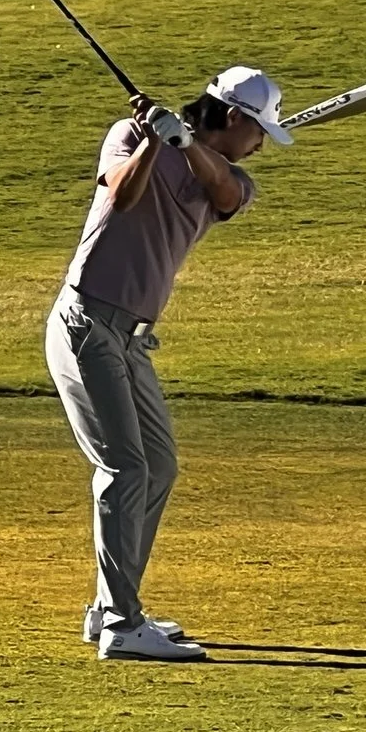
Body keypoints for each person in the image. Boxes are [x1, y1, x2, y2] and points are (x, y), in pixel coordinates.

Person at [47, 66, 289, 662]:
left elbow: (224, 191)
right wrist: (156, 140)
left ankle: (110, 605)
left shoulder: (232, 179)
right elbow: (122, 196)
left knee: (158, 465)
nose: (260, 146)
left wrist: (182, 141)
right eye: (259, 132)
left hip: (132, 339)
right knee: (126, 467)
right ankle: (123, 625)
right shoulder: (129, 136)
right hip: (86, 322)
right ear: (233, 117)